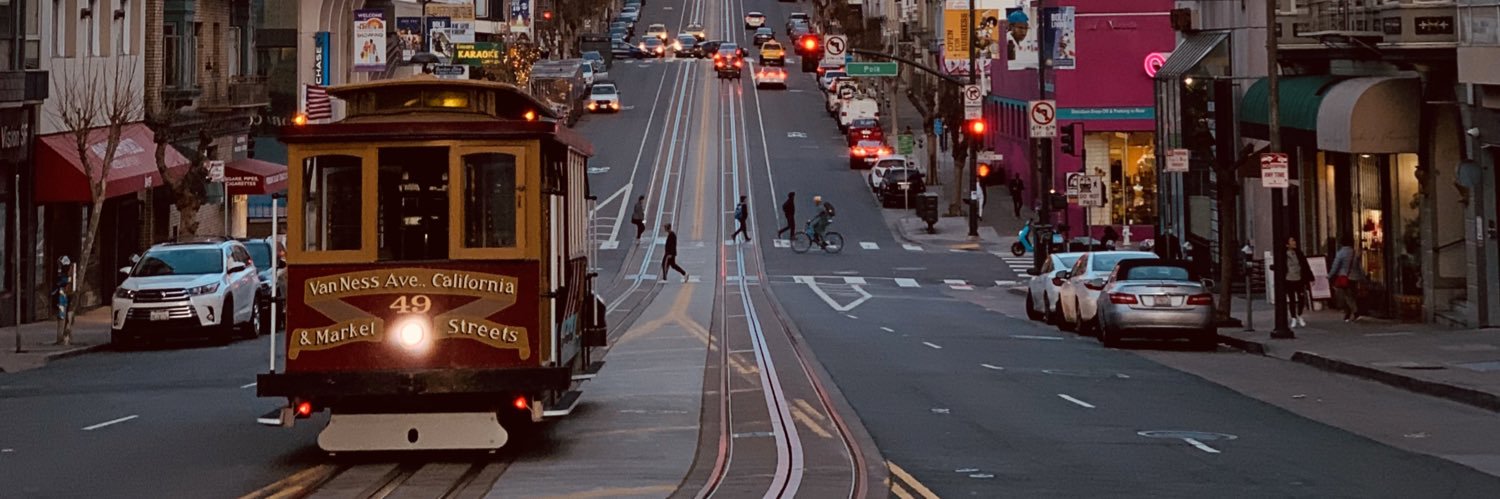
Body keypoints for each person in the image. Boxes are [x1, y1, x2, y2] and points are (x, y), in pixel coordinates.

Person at [1329, 235, 1360, 322]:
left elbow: (1335, 265)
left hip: (1344, 277)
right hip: (1354, 277)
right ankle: (1348, 314)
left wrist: (1330, 275)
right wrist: (1362, 277)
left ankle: (1355, 312)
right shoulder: (1354, 252)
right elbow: (1358, 266)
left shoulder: (1341, 253)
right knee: (1352, 295)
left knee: (1347, 296)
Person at [1284, 237, 1313, 327]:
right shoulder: (1284, 255)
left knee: (1301, 298)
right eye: (1292, 241)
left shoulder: (1299, 253)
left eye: (1294, 240)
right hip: (1289, 279)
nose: (1294, 242)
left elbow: (1305, 265)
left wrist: (1310, 277)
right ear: (1287, 244)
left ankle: (1299, 314)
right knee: (1292, 299)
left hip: (1299, 279)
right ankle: (1293, 317)